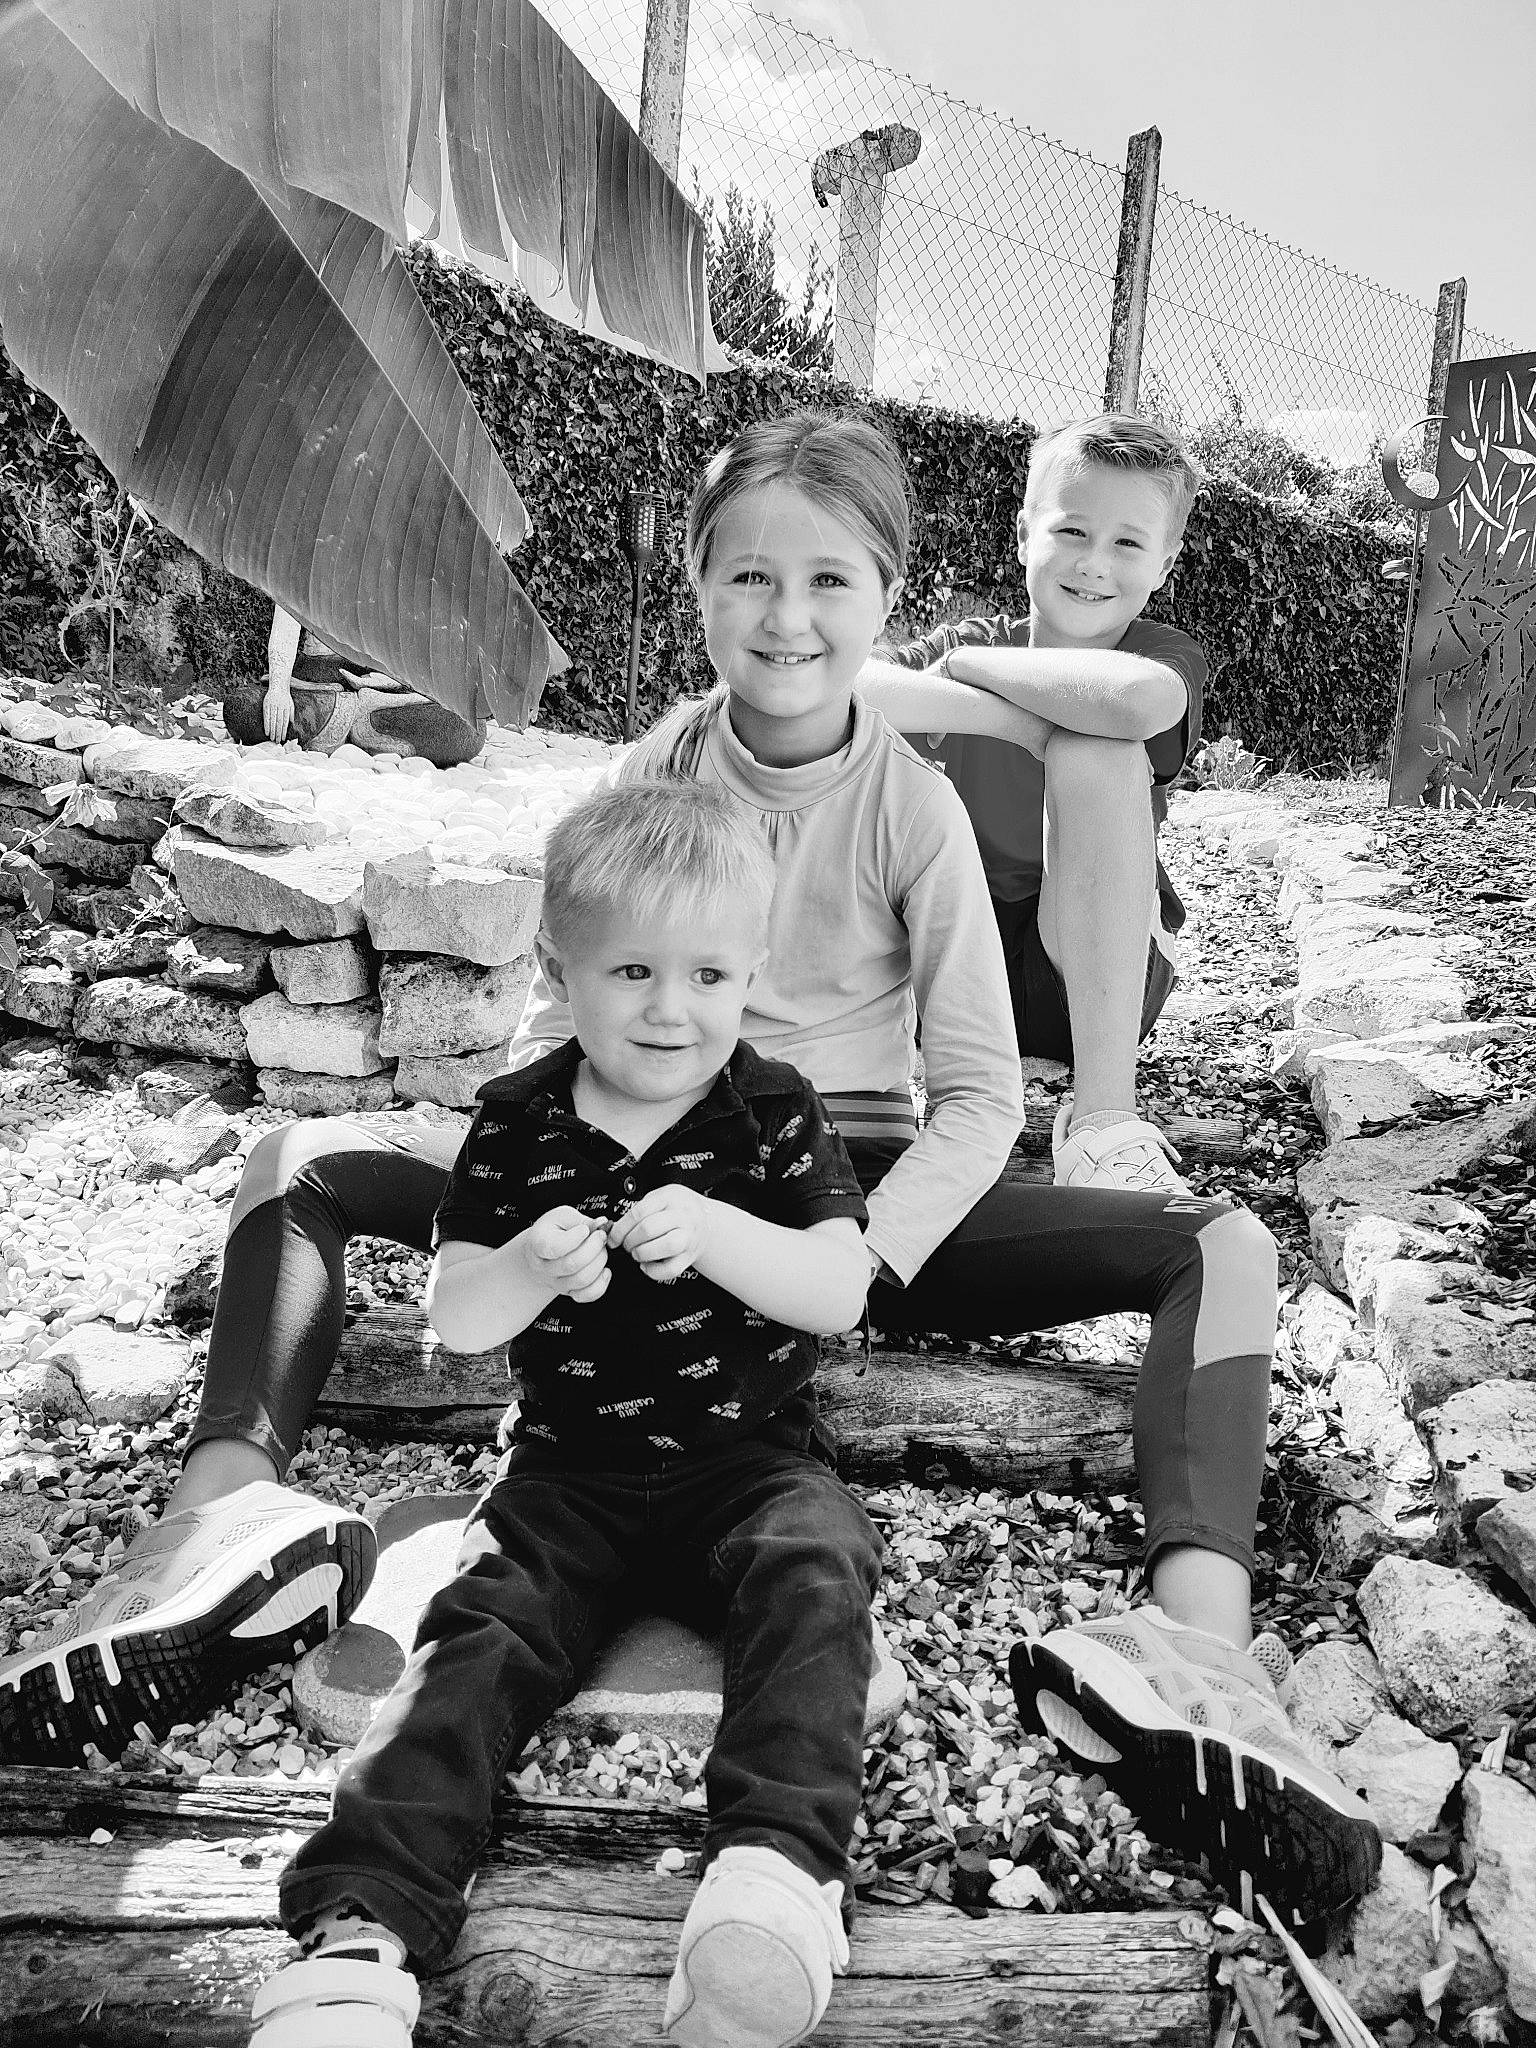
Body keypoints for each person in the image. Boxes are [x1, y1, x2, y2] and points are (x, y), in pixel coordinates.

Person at [0, 411, 1379, 1927]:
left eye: (831, 584)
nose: (788, 620)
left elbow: (982, 1095)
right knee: (302, 1158)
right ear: (704, 590)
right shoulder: (654, 770)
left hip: (839, 1189)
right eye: (751, 581)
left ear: (887, 598)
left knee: (1226, 1242)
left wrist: (862, 1252)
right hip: (630, 1173)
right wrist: (539, 1194)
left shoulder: (910, 804)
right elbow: (555, 1006)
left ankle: (1194, 1646)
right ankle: (216, 1524)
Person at [251, 779, 875, 2048]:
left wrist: (721, 1232)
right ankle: (362, 1922)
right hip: (565, 1474)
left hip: (749, 1462)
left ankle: (773, 1874)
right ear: (560, 965)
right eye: (633, 968)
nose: (671, 1005)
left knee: (815, 1577)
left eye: (709, 972)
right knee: (477, 1633)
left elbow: (837, 1289)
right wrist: (526, 1267)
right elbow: (457, 1314)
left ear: (753, 968)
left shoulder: (772, 1110)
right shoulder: (520, 1120)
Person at [858, 415, 1207, 1195]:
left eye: (1127, 543)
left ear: (1165, 562)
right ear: (1024, 535)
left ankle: (1103, 1124)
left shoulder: (1159, 651)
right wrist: (1018, 721)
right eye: (1072, 529)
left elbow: (1136, 703)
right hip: (946, 957)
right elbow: (844, 684)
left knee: (1096, 743)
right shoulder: (983, 633)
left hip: (1084, 969)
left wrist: (961, 672)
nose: (1092, 563)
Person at [221, 602, 487, 765]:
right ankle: (364, 719)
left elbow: (418, 651)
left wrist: (387, 686)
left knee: (469, 728)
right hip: (318, 685)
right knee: (241, 707)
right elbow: (286, 620)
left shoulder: (398, 546)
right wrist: (278, 689)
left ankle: (353, 722)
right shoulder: (308, 541)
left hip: (380, 682)